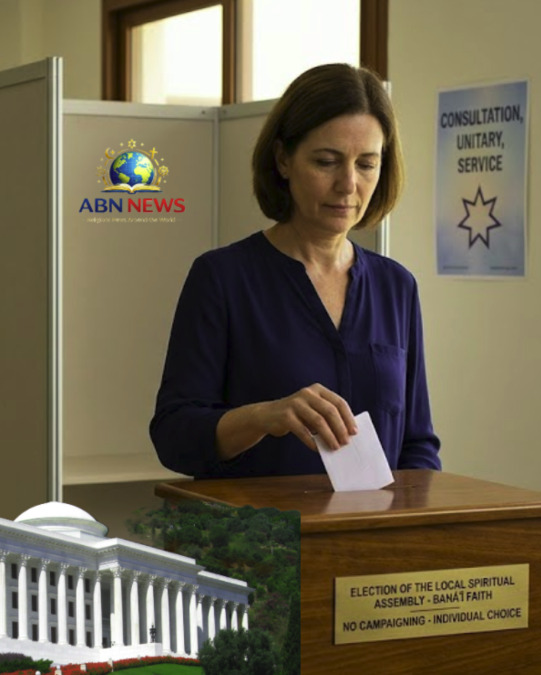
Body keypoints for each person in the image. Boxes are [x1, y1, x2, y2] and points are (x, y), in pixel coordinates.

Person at [150, 63, 441, 479]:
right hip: (255, 539)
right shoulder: (222, 278)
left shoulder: (396, 286)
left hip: (370, 541)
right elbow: (173, 435)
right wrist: (265, 417)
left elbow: (417, 445)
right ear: (283, 159)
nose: (347, 185)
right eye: (326, 161)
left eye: (367, 164)